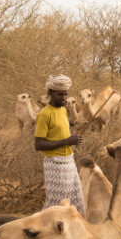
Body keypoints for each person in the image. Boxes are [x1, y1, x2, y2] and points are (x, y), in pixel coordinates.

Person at [34, 74, 85, 216]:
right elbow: (38, 145)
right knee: (57, 207)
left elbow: (60, 135)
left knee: (75, 203)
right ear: (51, 93)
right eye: (59, 94)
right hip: (54, 164)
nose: (63, 98)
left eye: (65, 94)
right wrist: (68, 141)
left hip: (69, 161)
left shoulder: (63, 110)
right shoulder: (44, 114)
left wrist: (72, 138)